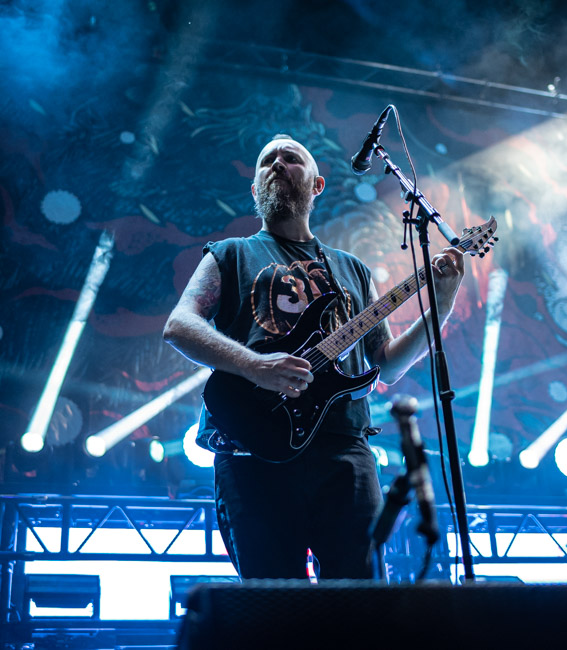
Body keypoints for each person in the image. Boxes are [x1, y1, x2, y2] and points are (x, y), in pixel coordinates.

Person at [162, 134, 465, 579]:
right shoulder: (231, 254)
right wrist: (255, 366)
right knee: (274, 604)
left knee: (360, 599)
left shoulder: (351, 269)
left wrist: (444, 299)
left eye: (291, 158)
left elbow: (388, 364)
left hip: (344, 450)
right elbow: (179, 326)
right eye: (268, 160)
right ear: (254, 189)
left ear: (317, 185)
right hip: (254, 448)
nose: (278, 164)